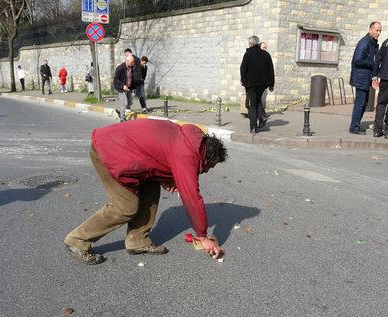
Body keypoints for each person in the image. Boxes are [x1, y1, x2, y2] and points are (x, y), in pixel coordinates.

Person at [64, 119, 227, 265]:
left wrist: (166, 177)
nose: (206, 171)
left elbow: (158, 153)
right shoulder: (187, 156)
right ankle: (77, 240)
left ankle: (138, 240)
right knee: (125, 207)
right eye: (209, 167)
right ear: (206, 158)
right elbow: (191, 198)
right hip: (108, 152)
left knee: (150, 190)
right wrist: (203, 236)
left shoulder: (191, 139)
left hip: (122, 148)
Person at [349, 21, 382, 135]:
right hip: (361, 77)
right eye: (376, 30)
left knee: (364, 102)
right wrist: (373, 63)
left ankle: (356, 125)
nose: (378, 33)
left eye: (380, 31)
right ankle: (354, 127)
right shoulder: (365, 42)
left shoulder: (372, 42)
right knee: (360, 103)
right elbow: (358, 60)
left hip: (366, 77)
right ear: (370, 29)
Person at [240, 35, 275, 133]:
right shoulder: (266, 55)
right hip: (262, 85)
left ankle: (253, 126)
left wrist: (243, 81)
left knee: (253, 105)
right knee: (258, 101)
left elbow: (243, 69)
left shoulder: (248, 54)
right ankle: (262, 117)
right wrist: (271, 84)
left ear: (250, 43)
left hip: (251, 84)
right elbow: (271, 70)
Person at [113, 55, 142, 122]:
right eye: (132, 62)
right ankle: (122, 118)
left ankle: (119, 110)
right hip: (121, 88)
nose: (133, 64)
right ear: (127, 61)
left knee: (130, 103)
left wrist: (134, 88)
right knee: (124, 103)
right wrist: (122, 86)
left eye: (133, 62)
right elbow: (115, 80)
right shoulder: (120, 68)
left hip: (129, 88)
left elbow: (132, 78)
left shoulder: (131, 68)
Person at [259, 42, 270, 121]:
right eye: (263, 47)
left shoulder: (267, 56)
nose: (265, 49)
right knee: (257, 98)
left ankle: (262, 113)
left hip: (262, 82)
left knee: (258, 98)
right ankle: (262, 114)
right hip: (255, 81)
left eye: (266, 48)